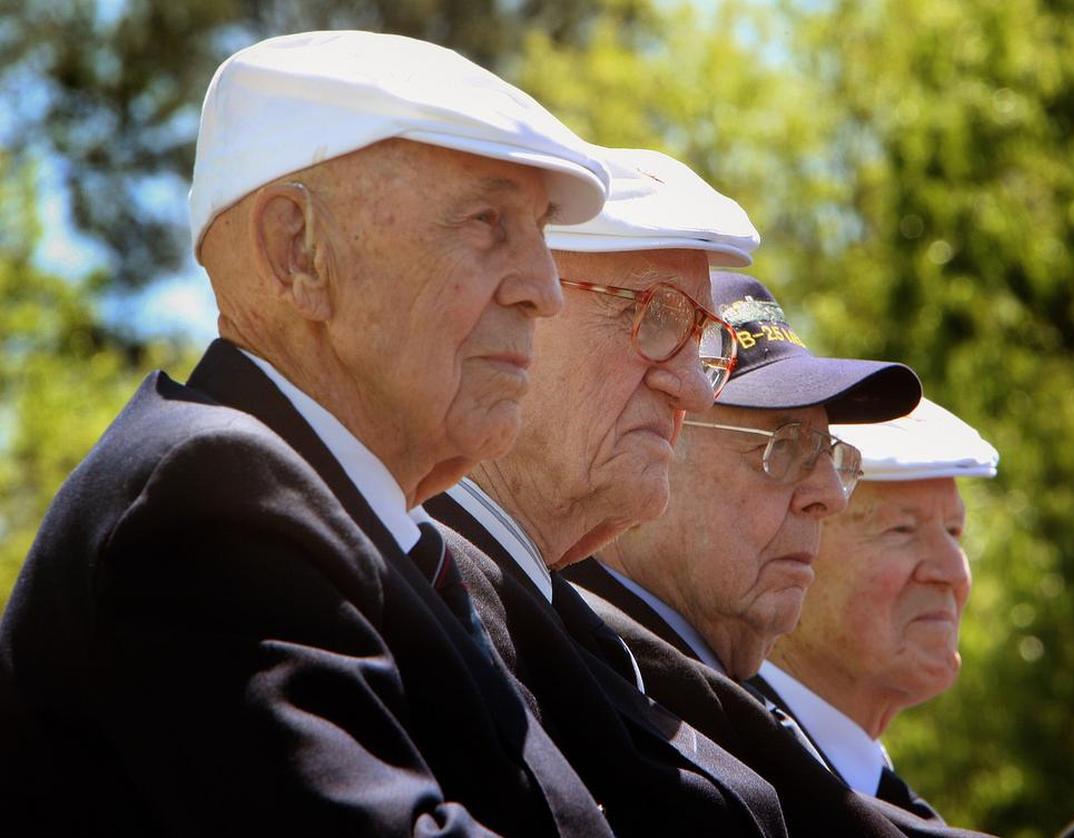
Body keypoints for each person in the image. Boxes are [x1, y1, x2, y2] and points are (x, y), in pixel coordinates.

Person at [0, 31, 617, 836]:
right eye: (486, 220)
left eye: (539, 230)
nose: (545, 290)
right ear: (297, 250)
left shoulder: (365, 524)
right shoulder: (209, 498)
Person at [427, 148, 793, 837]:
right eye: (654, 316)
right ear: (521, 299)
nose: (694, 389)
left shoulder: (558, 610)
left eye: (701, 340)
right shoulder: (406, 588)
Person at [570, 272, 997, 836]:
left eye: (829, 454)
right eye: (784, 446)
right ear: (657, 443)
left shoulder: (675, 690)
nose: (826, 494)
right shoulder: (585, 689)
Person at [755, 397, 999, 821]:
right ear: (792, 548)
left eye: (954, 531)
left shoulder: (848, 780)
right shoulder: (734, 774)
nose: (953, 571)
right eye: (902, 530)